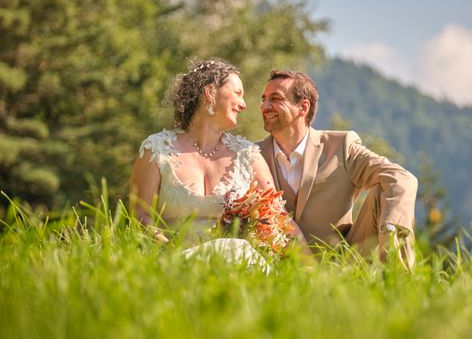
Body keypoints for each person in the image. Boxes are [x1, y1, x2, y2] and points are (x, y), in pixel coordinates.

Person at [130, 59, 302, 265]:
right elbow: (141, 217)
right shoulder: (156, 150)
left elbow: (278, 219)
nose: (244, 105)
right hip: (174, 264)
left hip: (238, 265)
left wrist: (310, 268)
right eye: (238, 94)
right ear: (209, 93)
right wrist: (174, 255)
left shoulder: (249, 155)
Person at [257, 70, 418, 268]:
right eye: (264, 99)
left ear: (302, 107)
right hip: (275, 267)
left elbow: (402, 178)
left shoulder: (341, 146)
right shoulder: (252, 155)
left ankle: (399, 278)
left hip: (343, 264)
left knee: (385, 188)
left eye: (275, 98)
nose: (264, 106)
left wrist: (390, 233)